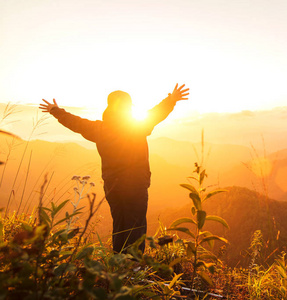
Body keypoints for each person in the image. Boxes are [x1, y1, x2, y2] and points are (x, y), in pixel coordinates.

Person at [39, 84, 189, 253]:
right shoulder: (137, 126)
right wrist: (171, 100)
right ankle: (133, 265)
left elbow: (76, 123)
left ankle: (117, 261)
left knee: (119, 223)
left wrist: (56, 111)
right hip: (136, 184)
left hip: (112, 185)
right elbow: (156, 114)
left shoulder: (99, 128)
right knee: (136, 224)